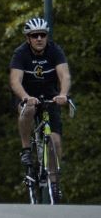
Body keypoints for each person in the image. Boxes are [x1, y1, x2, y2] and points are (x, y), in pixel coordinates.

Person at [9, 17, 71, 176]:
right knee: (28, 108)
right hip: (27, 96)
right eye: (35, 35)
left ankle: (54, 184)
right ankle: (26, 149)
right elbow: (15, 81)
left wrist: (63, 94)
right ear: (28, 38)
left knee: (55, 142)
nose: (39, 38)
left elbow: (65, 76)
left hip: (50, 97)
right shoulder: (20, 53)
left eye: (42, 35)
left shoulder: (55, 50)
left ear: (47, 37)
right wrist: (25, 96)